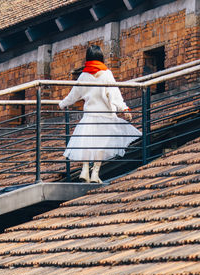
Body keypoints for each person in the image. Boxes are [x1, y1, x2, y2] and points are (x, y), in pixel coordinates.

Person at [58, 44, 141, 183]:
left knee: (86, 141)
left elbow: (74, 95)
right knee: (101, 143)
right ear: (101, 57)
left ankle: (85, 169)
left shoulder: (83, 75)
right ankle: (95, 173)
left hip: (90, 115)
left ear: (88, 58)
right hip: (105, 116)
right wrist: (124, 108)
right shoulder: (106, 73)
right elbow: (114, 93)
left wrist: (62, 104)